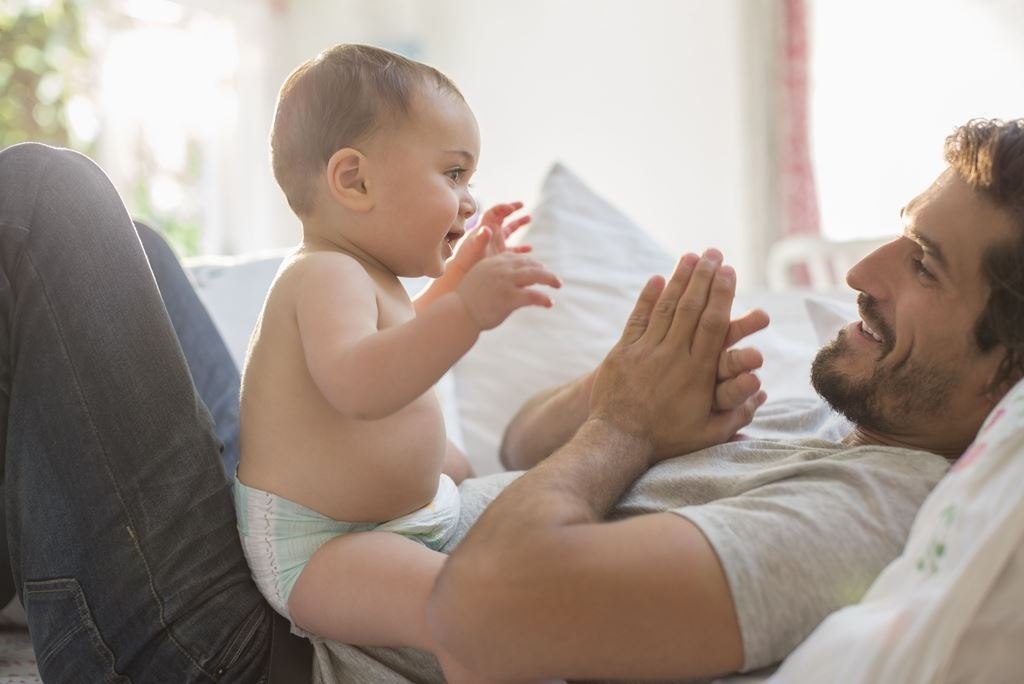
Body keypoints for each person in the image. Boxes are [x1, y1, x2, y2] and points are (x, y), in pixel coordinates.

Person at [0, 108, 1020, 680]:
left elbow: (480, 614)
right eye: (899, 229)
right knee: (122, 254)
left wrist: (626, 427)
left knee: (46, 207)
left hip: (270, 653)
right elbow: (524, 454)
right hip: (310, 541)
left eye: (924, 264)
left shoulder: (860, 521)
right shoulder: (823, 419)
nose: (862, 271)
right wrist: (621, 396)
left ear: (1002, 370)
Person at [232, 43, 564, 681]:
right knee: (466, 609)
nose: (468, 201)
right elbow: (363, 383)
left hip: (394, 518)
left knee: (461, 468)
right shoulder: (322, 276)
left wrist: (460, 274)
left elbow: (404, 336)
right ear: (354, 181)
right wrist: (465, 310)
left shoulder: (368, 274)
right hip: (325, 547)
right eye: (453, 175)